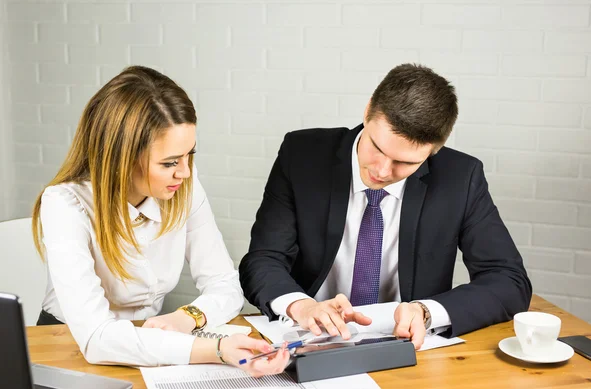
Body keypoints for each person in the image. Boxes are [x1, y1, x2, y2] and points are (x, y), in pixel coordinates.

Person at [239, 63, 532, 350]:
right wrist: (300, 305)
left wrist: (426, 311)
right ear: (368, 112)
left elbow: (508, 280)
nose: (381, 171)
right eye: (376, 148)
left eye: (405, 163)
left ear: (433, 150)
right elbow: (263, 259)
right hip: (312, 341)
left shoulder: (461, 178)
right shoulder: (302, 154)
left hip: (407, 348)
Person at [31, 66, 289, 374]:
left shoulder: (183, 187)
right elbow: (98, 337)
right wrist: (217, 349)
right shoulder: (65, 204)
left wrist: (188, 317)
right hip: (66, 348)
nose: (185, 172)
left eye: (189, 155)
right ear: (122, 158)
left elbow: (225, 284)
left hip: (153, 346)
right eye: (169, 163)